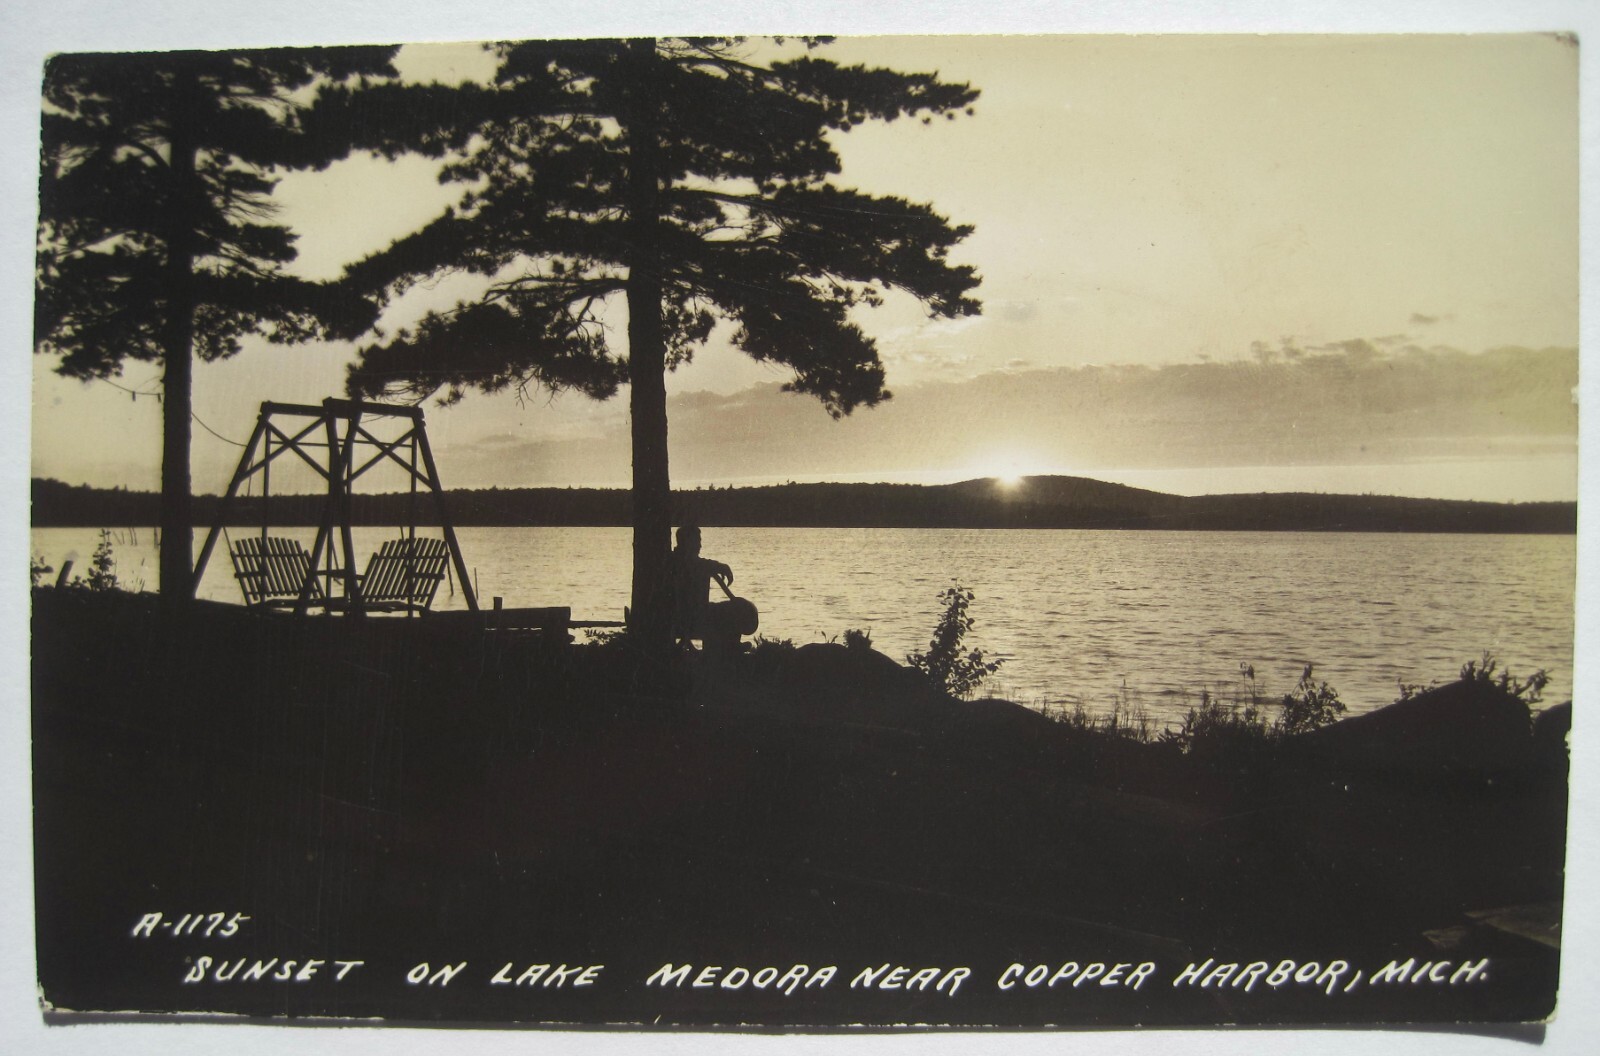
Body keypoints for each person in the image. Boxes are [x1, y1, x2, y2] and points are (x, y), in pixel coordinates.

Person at [669, 525, 737, 656]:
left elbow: (697, 563)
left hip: (683, 617)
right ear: (688, 543)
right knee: (730, 611)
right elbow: (695, 564)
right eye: (697, 541)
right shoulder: (687, 564)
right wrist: (720, 566)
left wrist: (717, 566)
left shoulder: (675, 561)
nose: (700, 546)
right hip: (691, 618)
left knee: (718, 611)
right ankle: (723, 653)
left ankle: (723, 651)